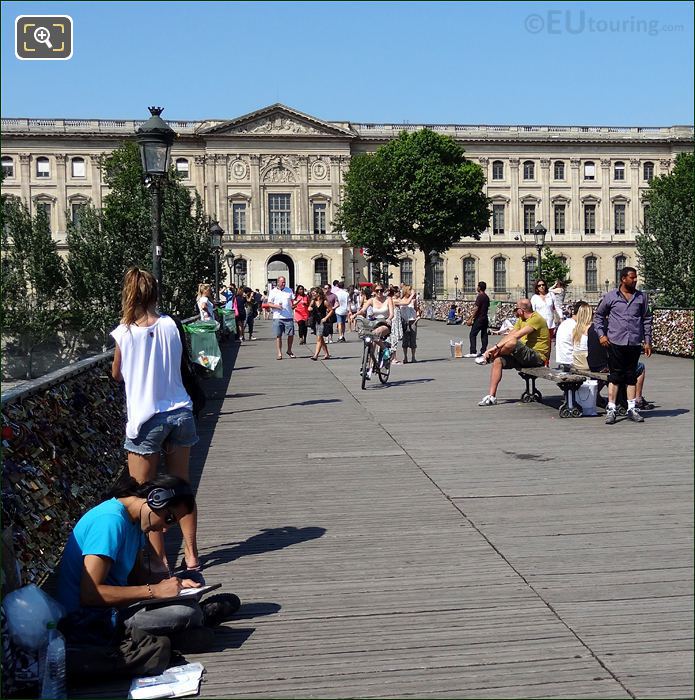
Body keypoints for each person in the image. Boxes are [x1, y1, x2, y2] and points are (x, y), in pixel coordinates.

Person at [56, 474, 241, 655]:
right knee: (186, 613)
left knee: (194, 578)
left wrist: (175, 584)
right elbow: (90, 594)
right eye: (168, 519)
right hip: (90, 619)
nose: (165, 529)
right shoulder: (110, 522)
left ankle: (180, 626)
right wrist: (155, 591)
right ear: (155, 500)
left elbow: (137, 577)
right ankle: (185, 626)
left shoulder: (134, 522)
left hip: (114, 605)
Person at [111, 268, 201, 575]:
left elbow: (117, 373)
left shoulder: (123, 333)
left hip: (146, 418)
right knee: (182, 487)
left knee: (146, 494)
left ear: (129, 294)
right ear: (154, 293)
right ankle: (191, 554)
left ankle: (160, 562)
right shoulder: (170, 324)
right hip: (179, 412)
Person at [593, 267, 653, 424]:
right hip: (615, 341)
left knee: (631, 376)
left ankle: (631, 408)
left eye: (635, 277)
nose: (635, 280)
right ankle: (611, 409)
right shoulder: (611, 297)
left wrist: (647, 341)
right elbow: (598, 316)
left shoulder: (641, 297)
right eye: (632, 278)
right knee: (615, 376)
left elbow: (647, 319)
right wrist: (601, 335)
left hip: (633, 342)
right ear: (623, 279)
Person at [476, 298, 550, 406]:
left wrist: (494, 349)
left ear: (521, 310)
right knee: (498, 361)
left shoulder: (536, 319)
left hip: (536, 357)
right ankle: (492, 396)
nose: (515, 312)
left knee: (513, 342)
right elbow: (510, 334)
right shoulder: (522, 319)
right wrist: (494, 348)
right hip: (524, 356)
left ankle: (490, 358)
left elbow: (516, 336)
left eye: (516, 309)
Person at [353, 284, 393, 376]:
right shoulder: (371, 300)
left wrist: (389, 319)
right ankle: (369, 369)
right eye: (377, 290)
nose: (379, 292)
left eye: (381, 290)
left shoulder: (388, 299)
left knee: (374, 334)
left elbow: (391, 313)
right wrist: (355, 315)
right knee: (371, 344)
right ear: (374, 291)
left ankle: (385, 349)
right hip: (374, 323)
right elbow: (363, 310)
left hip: (385, 323)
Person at [267, 275, 296, 360]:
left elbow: (292, 301)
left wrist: (294, 305)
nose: (283, 283)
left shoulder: (289, 290)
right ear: (278, 282)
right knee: (278, 335)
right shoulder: (273, 291)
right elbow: (269, 303)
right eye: (282, 282)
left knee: (291, 334)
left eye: (284, 282)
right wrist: (276, 306)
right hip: (277, 317)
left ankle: (289, 350)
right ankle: (279, 353)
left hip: (288, 316)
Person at [555, 300, 587, 371]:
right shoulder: (575, 326)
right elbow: (581, 346)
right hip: (571, 360)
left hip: (562, 358)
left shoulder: (565, 323)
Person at [464, 281, 490, 358]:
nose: (476, 288)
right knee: (484, 334)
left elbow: (476, 308)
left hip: (479, 318)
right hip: (485, 317)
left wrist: (471, 318)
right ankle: (483, 351)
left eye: (477, 286)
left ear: (479, 287)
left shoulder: (480, 296)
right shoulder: (486, 297)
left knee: (472, 334)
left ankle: (473, 351)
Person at [307, 287, 334, 360]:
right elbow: (309, 307)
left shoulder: (324, 301)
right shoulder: (313, 301)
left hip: (322, 321)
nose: (312, 294)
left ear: (318, 293)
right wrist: (309, 308)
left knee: (319, 338)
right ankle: (327, 354)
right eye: (312, 293)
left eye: (314, 293)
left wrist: (326, 318)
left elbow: (331, 310)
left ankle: (315, 355)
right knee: (321, 338)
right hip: (315, 321)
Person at [397, 284, 419, 363]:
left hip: (412, 321)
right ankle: (405, 357)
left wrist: (418, 316)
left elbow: (416, 309)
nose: (412, 291)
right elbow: (406, 303)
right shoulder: (401, 299)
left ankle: (413, 357)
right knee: (405, 340)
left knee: (413, 340)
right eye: (410, 290)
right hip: (404, 322)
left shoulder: (413, 300)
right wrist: (412, 295)